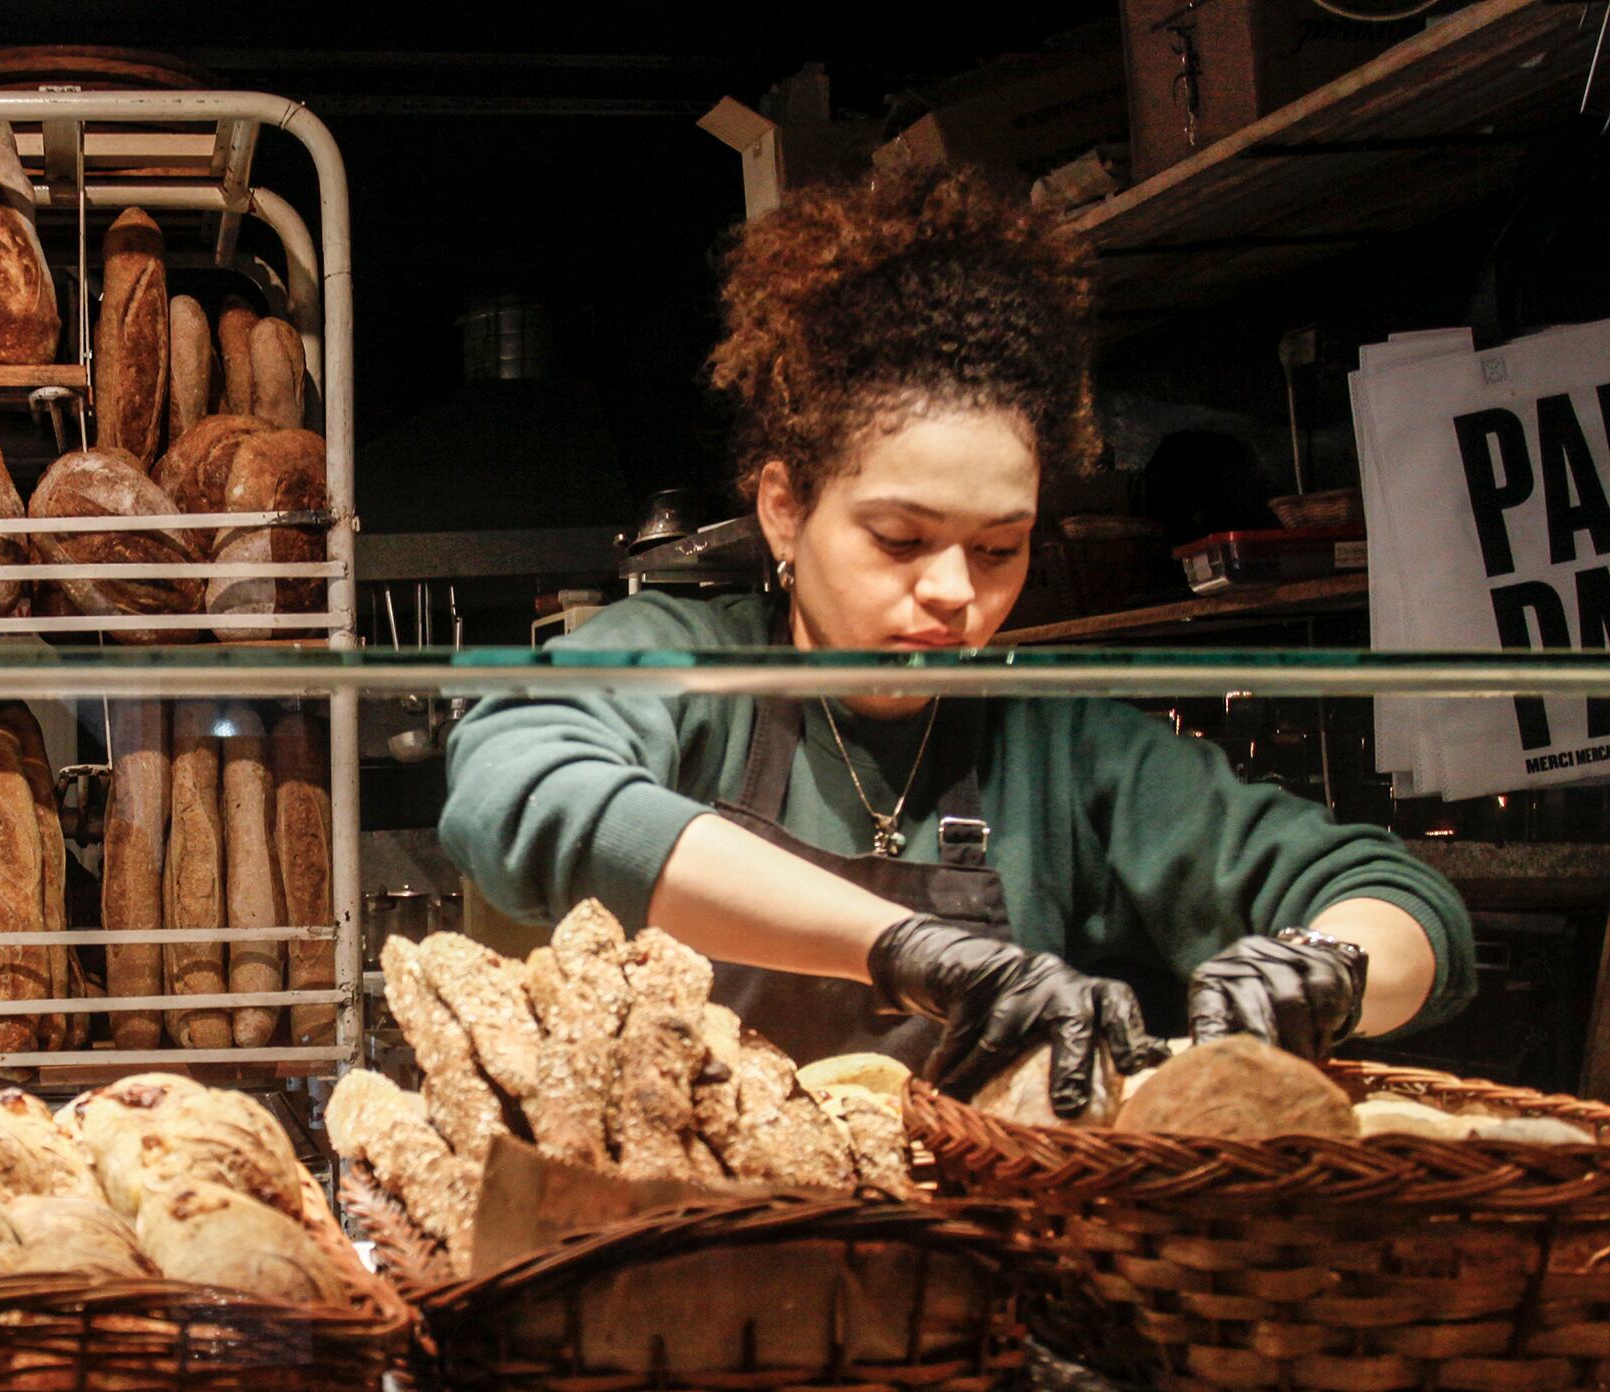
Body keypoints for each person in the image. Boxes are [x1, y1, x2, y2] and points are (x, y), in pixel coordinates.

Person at [439, 169, 1471, 1117]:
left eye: (997, 547)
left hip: (980, 1271)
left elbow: (1405, 902)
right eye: (899, 538)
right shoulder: (686, 664)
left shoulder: (1060, 754)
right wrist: (896, 945)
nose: (952, 594)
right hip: (680, 1249)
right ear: (784, 509)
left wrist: (1328, 966)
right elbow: (516, 788)